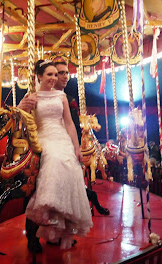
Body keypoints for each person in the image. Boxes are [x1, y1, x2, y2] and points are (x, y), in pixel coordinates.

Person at [19, 61, 109, 253]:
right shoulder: (31, 97)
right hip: (42, 138)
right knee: (54, 160)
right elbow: (22, 122)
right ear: (39, 76)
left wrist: (76, 148)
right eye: (49, 74)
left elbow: (69, 124)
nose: (54, 78)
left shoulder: (62, 97)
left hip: (62, 138)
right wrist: (21, 108)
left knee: (69, 167)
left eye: (55, 75)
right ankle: (41, 215)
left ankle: (60, 229)